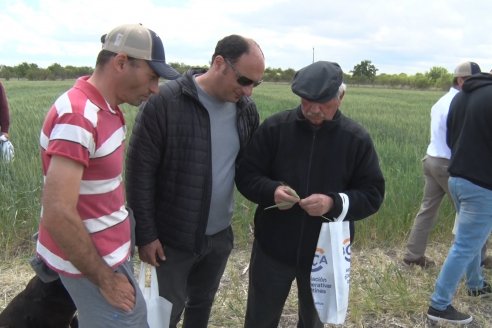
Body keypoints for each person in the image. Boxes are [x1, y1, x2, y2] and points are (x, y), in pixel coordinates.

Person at [33, 23, 180, 327]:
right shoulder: (79, 115)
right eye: (152, 77)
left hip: (106, 254)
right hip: (92, 264)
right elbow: (58, 212)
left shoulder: (108, 109)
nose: (155, 89)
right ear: (121, 62)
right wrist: (105, 279)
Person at [125, 34, 265, 328]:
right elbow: (139, 174)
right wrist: (146, 235)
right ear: (219, 64)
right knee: (165, 313)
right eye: (244, 80)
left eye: (255, 84)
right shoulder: (166, 103)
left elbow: (249, 168)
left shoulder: (246, 111)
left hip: (218, 237)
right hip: (172, 240)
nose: (249, 91)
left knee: (201, 306)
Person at [235, 61, 385, 328]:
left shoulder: (356, 139)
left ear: (341, 96)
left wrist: (333, 203)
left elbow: (373, 194)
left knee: (313, 322)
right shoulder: (275, 129)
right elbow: (246, 175)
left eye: (323, 102)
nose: (314, 109)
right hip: (272, 248)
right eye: (306, 101)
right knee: (259, 319)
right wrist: (272, 191)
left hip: (325, 254)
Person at [426, 71, 492, 325]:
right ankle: (439, 305)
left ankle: (475, 283)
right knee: (465, 245)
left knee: (475, 236)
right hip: (481, 183)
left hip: (457, 177)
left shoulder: (462, 95)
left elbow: (451, 137)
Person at [403, 61, 481, 268]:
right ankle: (477, 259)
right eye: (474, 80)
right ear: (461, 80)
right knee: (471, 212)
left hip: (431, 160)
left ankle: (413, 255)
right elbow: (456, 140)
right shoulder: (462, 103)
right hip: (449, 164)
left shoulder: (442, 101)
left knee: (427, 209)